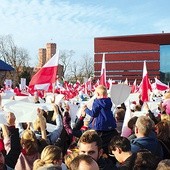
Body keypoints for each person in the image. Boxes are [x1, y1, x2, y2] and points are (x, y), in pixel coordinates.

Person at [83, 85, 118, 154]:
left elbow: (94, 114)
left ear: (97, 94)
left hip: (100, 126)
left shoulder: (97, 102)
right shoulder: (109, 101)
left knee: (99, 142)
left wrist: (86, 109)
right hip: (110, 125)